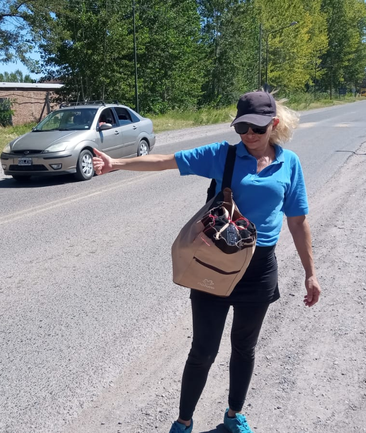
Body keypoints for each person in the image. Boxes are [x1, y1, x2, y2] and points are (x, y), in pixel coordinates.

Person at [92, 91, 321, 433]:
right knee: (203, 350)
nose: (249, 135)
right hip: (215, 263)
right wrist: (117, 164)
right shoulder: (222, 156)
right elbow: (166, 161)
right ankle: (183, 423)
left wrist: (310, 274)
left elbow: (298, 221)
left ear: (273, 124)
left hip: (259, 270)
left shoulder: (290, 164)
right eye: (242, 127)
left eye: (257, 128)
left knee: (244, 347)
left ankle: (232, 416)